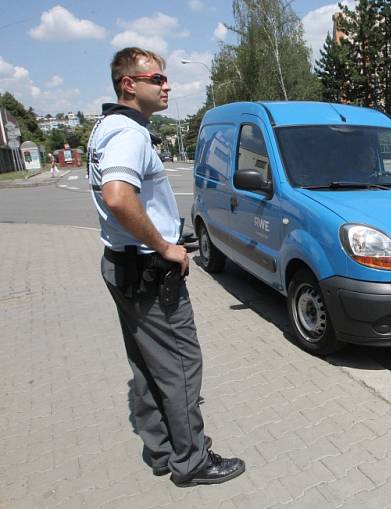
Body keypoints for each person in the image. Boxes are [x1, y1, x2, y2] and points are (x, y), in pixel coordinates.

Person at [88, 47, 245, 487]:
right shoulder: (129, 134)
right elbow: (118, 196)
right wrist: (165, 246)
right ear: (128, 85)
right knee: (179, 365)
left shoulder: (104, 126)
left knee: (146, 362)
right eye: (157, 79)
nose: (167, 86)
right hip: (150, 271)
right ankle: (192, 462)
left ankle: (160, 449)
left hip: (123, 265)